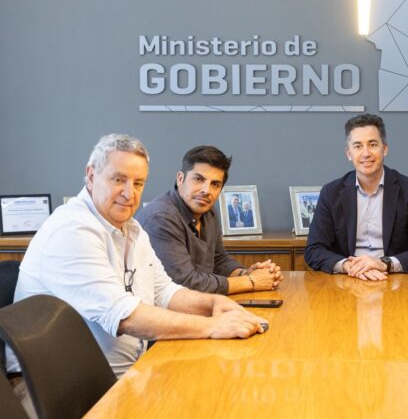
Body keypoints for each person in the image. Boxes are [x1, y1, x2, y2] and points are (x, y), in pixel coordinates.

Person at [7, 134, 268, 384]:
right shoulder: (72, 229)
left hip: (129, 374)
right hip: (67, 389)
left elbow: (165, 291)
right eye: (118, 179)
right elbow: (125, 317)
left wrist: (214, 303)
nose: (129, 193)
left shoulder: (132, 229)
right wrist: (212, 326)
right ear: (91, 175)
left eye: (138, 183)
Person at [305, 113, 408, 280]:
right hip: (348, 279)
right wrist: (348, 266)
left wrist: (384, 263)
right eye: (358, 146)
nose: (366, 153)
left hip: (393, 279)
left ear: (385, 148)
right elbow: (313, 250)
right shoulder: (331, 193)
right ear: (348, 153)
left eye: (373, 144)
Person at [137, 146, 282, 295]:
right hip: (160, 307)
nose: (206, 190)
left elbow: (219, 260)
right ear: (180, 179)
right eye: (198, 179)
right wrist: (250, 281)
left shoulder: (208, 211)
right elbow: (185, 284)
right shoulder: (160, 218)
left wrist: (245, 273)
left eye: (215, 184)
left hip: (198, 303)